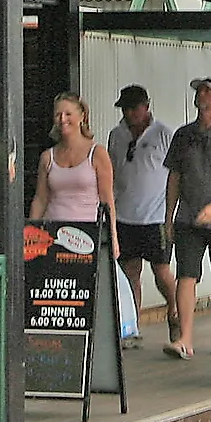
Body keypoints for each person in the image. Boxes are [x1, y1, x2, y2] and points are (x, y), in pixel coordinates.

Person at [165, 77, 211, 357]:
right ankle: (185, 338)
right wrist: (168, 216)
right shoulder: (183, 134)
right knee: (186, 275)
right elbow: (174, 176)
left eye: (208, 91)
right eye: (199, 91)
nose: (201, 96)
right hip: (188, 216)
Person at [107, 85, 174, 351]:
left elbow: (174, 174)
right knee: (129, 271)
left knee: (161, 270)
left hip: (155, 215)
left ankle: (175, 311)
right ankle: (131, 326)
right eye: (125, 109)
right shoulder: (116, 134)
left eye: (134, 108)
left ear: (146, 106)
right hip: (125, 213)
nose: (129, 114)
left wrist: (171, 212)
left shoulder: (163, 134)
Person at [31, 90, 120, 279]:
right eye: (58, 114)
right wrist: (32, 234)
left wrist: (113, 237)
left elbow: (107, 199)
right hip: (53, 236)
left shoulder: (97, 153)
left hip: (86, 236)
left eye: (68, 114)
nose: (63, 119)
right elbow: (40, 198)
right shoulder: (48, 157)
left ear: (82, 116)